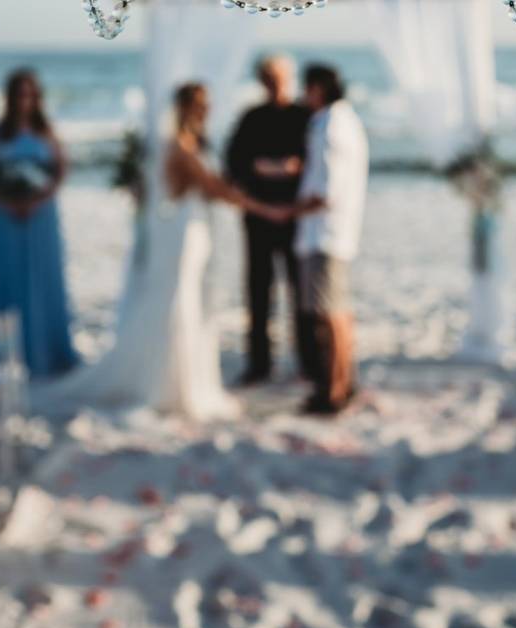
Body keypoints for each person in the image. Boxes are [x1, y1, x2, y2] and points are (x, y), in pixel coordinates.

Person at [43, 83, 282, 422]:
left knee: (185, 301)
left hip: (194, 227)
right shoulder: (179, 147)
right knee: (178, 302)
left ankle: (180, 378)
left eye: (206, 103)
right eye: (198, 103)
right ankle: (170, 383)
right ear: (184, 107)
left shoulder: (191, 143)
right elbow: (213, 187)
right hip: (184, 230)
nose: (204, 109)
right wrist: (265, 208)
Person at [0, 69, 77, 378]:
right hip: (2, 215)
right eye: (19, 93)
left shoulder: (47, 134)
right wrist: (8, 201)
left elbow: (60, 172)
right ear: (10, 97)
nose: (25, 99)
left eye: (30, 93)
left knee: (40, 276)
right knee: (2, 275)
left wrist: (36, 199)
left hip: (40, 215)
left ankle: (45, 350)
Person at [226, 55, 316, 385]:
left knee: (301, 292)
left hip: (296, 217)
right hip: (259, 217)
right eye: (269, 78)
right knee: (258, 293)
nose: (275, 84)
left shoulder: (304, 116)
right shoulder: (250, 117)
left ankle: (308, 362)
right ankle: (259, 364)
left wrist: (294, 170)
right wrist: (258, 171)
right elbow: (233, 164)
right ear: (262, 82)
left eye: (280, 77)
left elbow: (320, 164)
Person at [286, 65, 369, 415]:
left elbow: (327, 189)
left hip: (324, 232)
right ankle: (342, 383)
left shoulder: (330, 126)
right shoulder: (343, 121)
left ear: (317, 88)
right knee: (339, 312)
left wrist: (289, 210)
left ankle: (334, 390)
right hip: (335, 231)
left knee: (329, 315)